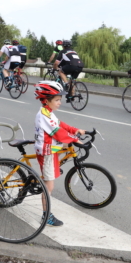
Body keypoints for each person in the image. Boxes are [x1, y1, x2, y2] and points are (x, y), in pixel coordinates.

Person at [33, 81, 85, 227]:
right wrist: (75, 139)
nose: (59, 102)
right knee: (49, 186)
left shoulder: (48, 113)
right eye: (56, 100)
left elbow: (60, 124)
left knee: (50, 179)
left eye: (60, 100)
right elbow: (59, 133)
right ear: (46, 100)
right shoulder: (44, 114)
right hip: (47, 152)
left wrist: (75, 130)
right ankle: (46, 215)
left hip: (53, 150)